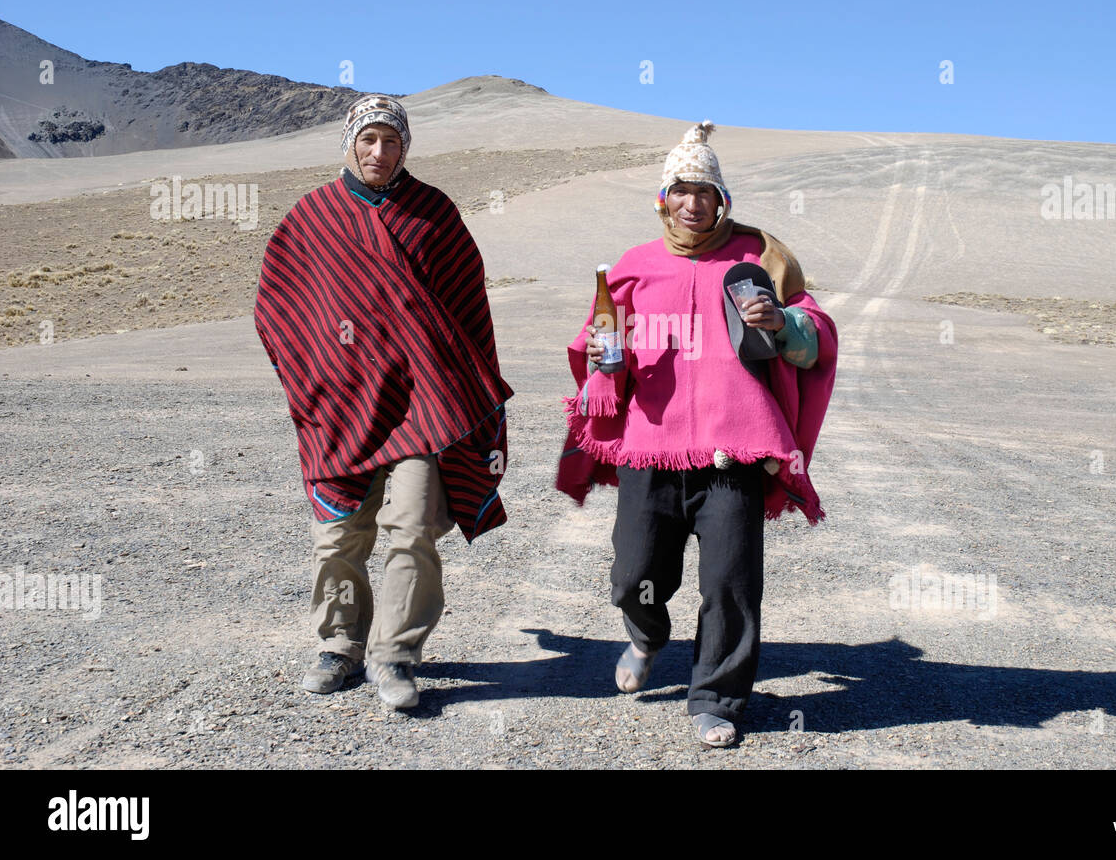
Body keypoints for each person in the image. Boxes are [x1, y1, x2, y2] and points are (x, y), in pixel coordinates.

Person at [556, 121, 837, 746]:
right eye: (680, 191)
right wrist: (608, 352)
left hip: (734, 448)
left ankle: (716, 699)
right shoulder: (634, 266)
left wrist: (785, 320)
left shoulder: (758, 257)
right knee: (633, 577)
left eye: (703, 192)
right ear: (663, 199)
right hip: (650, 448)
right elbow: (601, 343)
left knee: (730, 583)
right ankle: (648, 635)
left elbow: (816, 329)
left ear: (721, 200)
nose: (691, 203)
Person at [254, 95, 513, 710]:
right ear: (349, 142)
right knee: (340, 537)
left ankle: (395, 656)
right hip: (343, 406)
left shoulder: (433, 213)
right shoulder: (312, 217)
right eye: (368, 140)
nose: (379, 153)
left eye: (391, 142)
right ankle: (339, 646)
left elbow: (466, 306)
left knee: (413, 527)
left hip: (423, 405)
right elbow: (277, 310)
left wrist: (460, 384)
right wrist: (315, 378)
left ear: (405, 148)